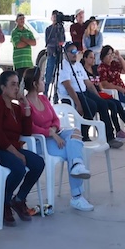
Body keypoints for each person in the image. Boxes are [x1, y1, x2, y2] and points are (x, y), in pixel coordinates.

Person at [0, 70, 45, 226]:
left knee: (38, 163)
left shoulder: (15, 107)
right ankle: (4, 202)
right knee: (18, 167)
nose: (16, 88)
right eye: (13, 84)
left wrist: (26, 105)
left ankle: (18, 199)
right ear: (3, 88)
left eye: (17, 84)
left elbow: (26, 132)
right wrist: (16, 153)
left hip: (9, 149)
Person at [23, 66, 94, 211]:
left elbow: (55, 119)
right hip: (41, 142)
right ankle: (77, 196)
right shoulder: (25, 104)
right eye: (41, 79)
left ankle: (76, 165)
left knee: (75, 133)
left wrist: (54, 130)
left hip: (56, 135)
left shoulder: (43, 98)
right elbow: (30, 128)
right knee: (72, 151)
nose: (44, 82)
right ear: (35, 84)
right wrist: (51, 134)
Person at [57, 42, 121, 148]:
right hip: (72, 95)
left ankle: (109, 137)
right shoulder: (63, 66)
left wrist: (98, 97)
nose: (74, 54)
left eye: (76, 51)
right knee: (92, 106)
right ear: (65, 53)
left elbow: (89, 84)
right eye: (72, 52)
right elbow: (68, 87)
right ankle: (84, 134)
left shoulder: (78, 65)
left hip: (84, 92)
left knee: (103, 104)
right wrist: (78, 104)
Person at [81, 49, 125, 139]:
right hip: (93, 95)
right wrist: (98, 95)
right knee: (112, 105)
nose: (93, 60)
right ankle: (116, 131)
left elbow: (100, 84)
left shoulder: (95, 69)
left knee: (117, 103)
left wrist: (102, 91)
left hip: (100, 93)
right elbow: (88, 87)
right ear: (85, 58)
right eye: (91, 58)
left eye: (94, 58)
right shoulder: (83, 71)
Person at [97, 44, 125, 130]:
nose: (111, 56)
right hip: (114, 91)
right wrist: (119, 88)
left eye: (112, 54)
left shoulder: (114, 64)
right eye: (108, 54)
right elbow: (105, 84)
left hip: (122, 88)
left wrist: (119, 57)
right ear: (103, 56)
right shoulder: (102, 67)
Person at [43, 12, 66, 90]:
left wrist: (59, 43)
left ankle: (57, 91)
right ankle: (46, 91)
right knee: (49, 73)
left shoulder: (61, 28)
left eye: (57, 16)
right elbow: (47, 42)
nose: (55, 18)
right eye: (54, 16)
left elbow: (63, 39)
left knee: (59, 74)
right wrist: (56, 42)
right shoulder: (48, 29)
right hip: (51, 53)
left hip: (59, 53)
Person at [11, 13, 36, 81]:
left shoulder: (28, 31)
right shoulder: (14, 32)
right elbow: (18, 45)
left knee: (28, 82)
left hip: (28, 62)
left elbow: (34, 43)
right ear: (16, 21)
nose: (22, 20)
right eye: (20, 19)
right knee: (19, 82)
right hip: (19, 63)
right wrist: (28, 42)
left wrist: (24, 40)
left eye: (23, 19)